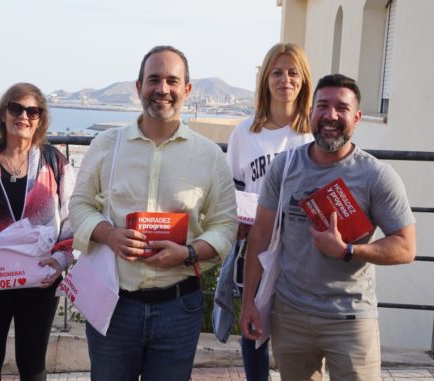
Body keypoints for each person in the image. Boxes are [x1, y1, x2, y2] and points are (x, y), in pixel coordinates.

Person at [69, 45, 237, 381]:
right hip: (114, 304)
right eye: (153, 80)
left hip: (179, 307)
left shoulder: (209, 156)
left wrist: (188, 253)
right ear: (139, 87)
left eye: (172, 81)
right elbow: (79, 206)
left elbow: (225, 226)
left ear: (187, 90)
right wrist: (109, 235)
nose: (163, 89)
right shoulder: (106, 145)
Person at [239, 74, 416, 381]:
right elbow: (260, 237)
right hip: (290, 314)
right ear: (310, 113)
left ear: (357, 118)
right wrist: (249, 303)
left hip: (349, 318)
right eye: (322, 106)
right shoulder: (284, 166)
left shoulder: (376, 176)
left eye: (341, 108)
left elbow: (405, 247)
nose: (330, 116)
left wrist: (348, 250)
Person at [0, 83, 75, 381]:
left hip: (40, 280)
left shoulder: (54, 162)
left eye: (32, 111)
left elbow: (72, 217)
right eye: (16, 108)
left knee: (33, 364)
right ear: (3, 113)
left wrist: (62, 261)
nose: (24, 116)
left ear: (40, 118)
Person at [214, 42, 314, 381]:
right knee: (253, 327)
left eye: (292, 72)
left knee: (298, 331)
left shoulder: (311, 133)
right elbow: (234, 189)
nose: (285, 79)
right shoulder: (245, 132)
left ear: (303, 81)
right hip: (255, 245)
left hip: (301, 248)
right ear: (265, 80)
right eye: (277, 72)